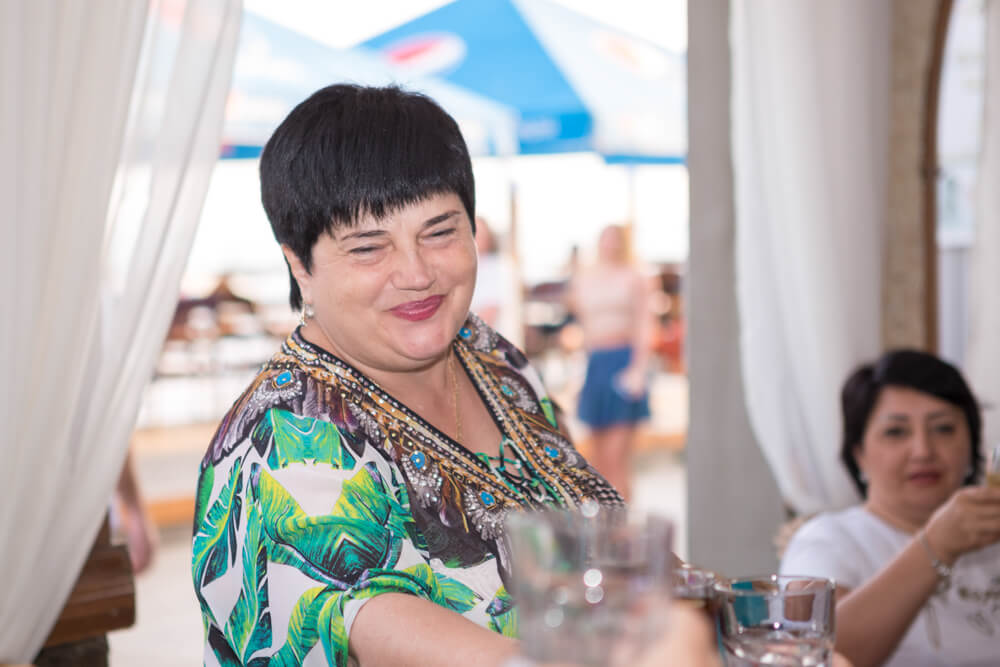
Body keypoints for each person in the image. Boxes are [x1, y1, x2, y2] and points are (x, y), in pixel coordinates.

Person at [191, 85, 626, 667]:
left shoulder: (493, 357)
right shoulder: (285, 437)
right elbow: (360, 615)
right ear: (300, 265)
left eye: (440, 232)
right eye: (369, 248)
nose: (417, 274)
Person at [780, 349, 1000, 667]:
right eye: (896, 432)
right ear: (859, 454)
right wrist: (937, 545)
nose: (923, 451)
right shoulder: (826, 541)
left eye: (943, 428)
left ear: (972, 445)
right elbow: (815, 655)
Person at [566, 224, 653, 500]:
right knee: (596, 462)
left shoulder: (634, 277)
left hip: (622, 362)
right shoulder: (585, 279)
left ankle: (624, 521)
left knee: (618, 458)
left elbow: (644, 325)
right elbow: (581, 327)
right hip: (596, 364)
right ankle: (605, 522)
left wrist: (638, 369)